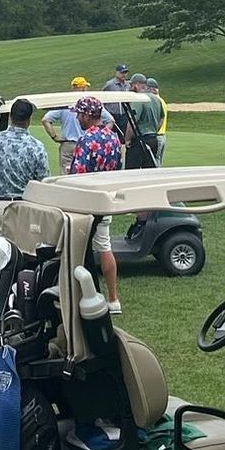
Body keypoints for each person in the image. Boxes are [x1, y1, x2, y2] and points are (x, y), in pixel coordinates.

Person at [68, 96, 124, 313]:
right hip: (105, 198)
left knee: (79, 251)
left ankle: (83, 296)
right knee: (105, 247)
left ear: (87, 115)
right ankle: (113, 299)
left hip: (86, 201)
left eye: (79, 114)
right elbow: (119, 168)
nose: (78, 118)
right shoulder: (112, 138)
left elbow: (77, 175)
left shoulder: (86, 140)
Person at [0, 97, 47, 213]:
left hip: (0, 206)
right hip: (25, 206)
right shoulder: (37, 147)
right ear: (29, 120)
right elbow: (42, 180)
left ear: (10, 117)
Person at [43, 81, 87, 173]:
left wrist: (54, 137)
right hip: (85, 143)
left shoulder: (65, 104)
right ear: (82, 88)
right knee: (84, 173)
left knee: (66, 173)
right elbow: (110, 120)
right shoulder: (89, 104)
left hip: (67, 145)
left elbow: (45, 120)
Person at [142, 76, 168, 165]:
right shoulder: (162, 101)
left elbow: (160, 118)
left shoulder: (155, 101)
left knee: (154, 162)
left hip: (157, 135)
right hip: (163, 135)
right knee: (158, 161)